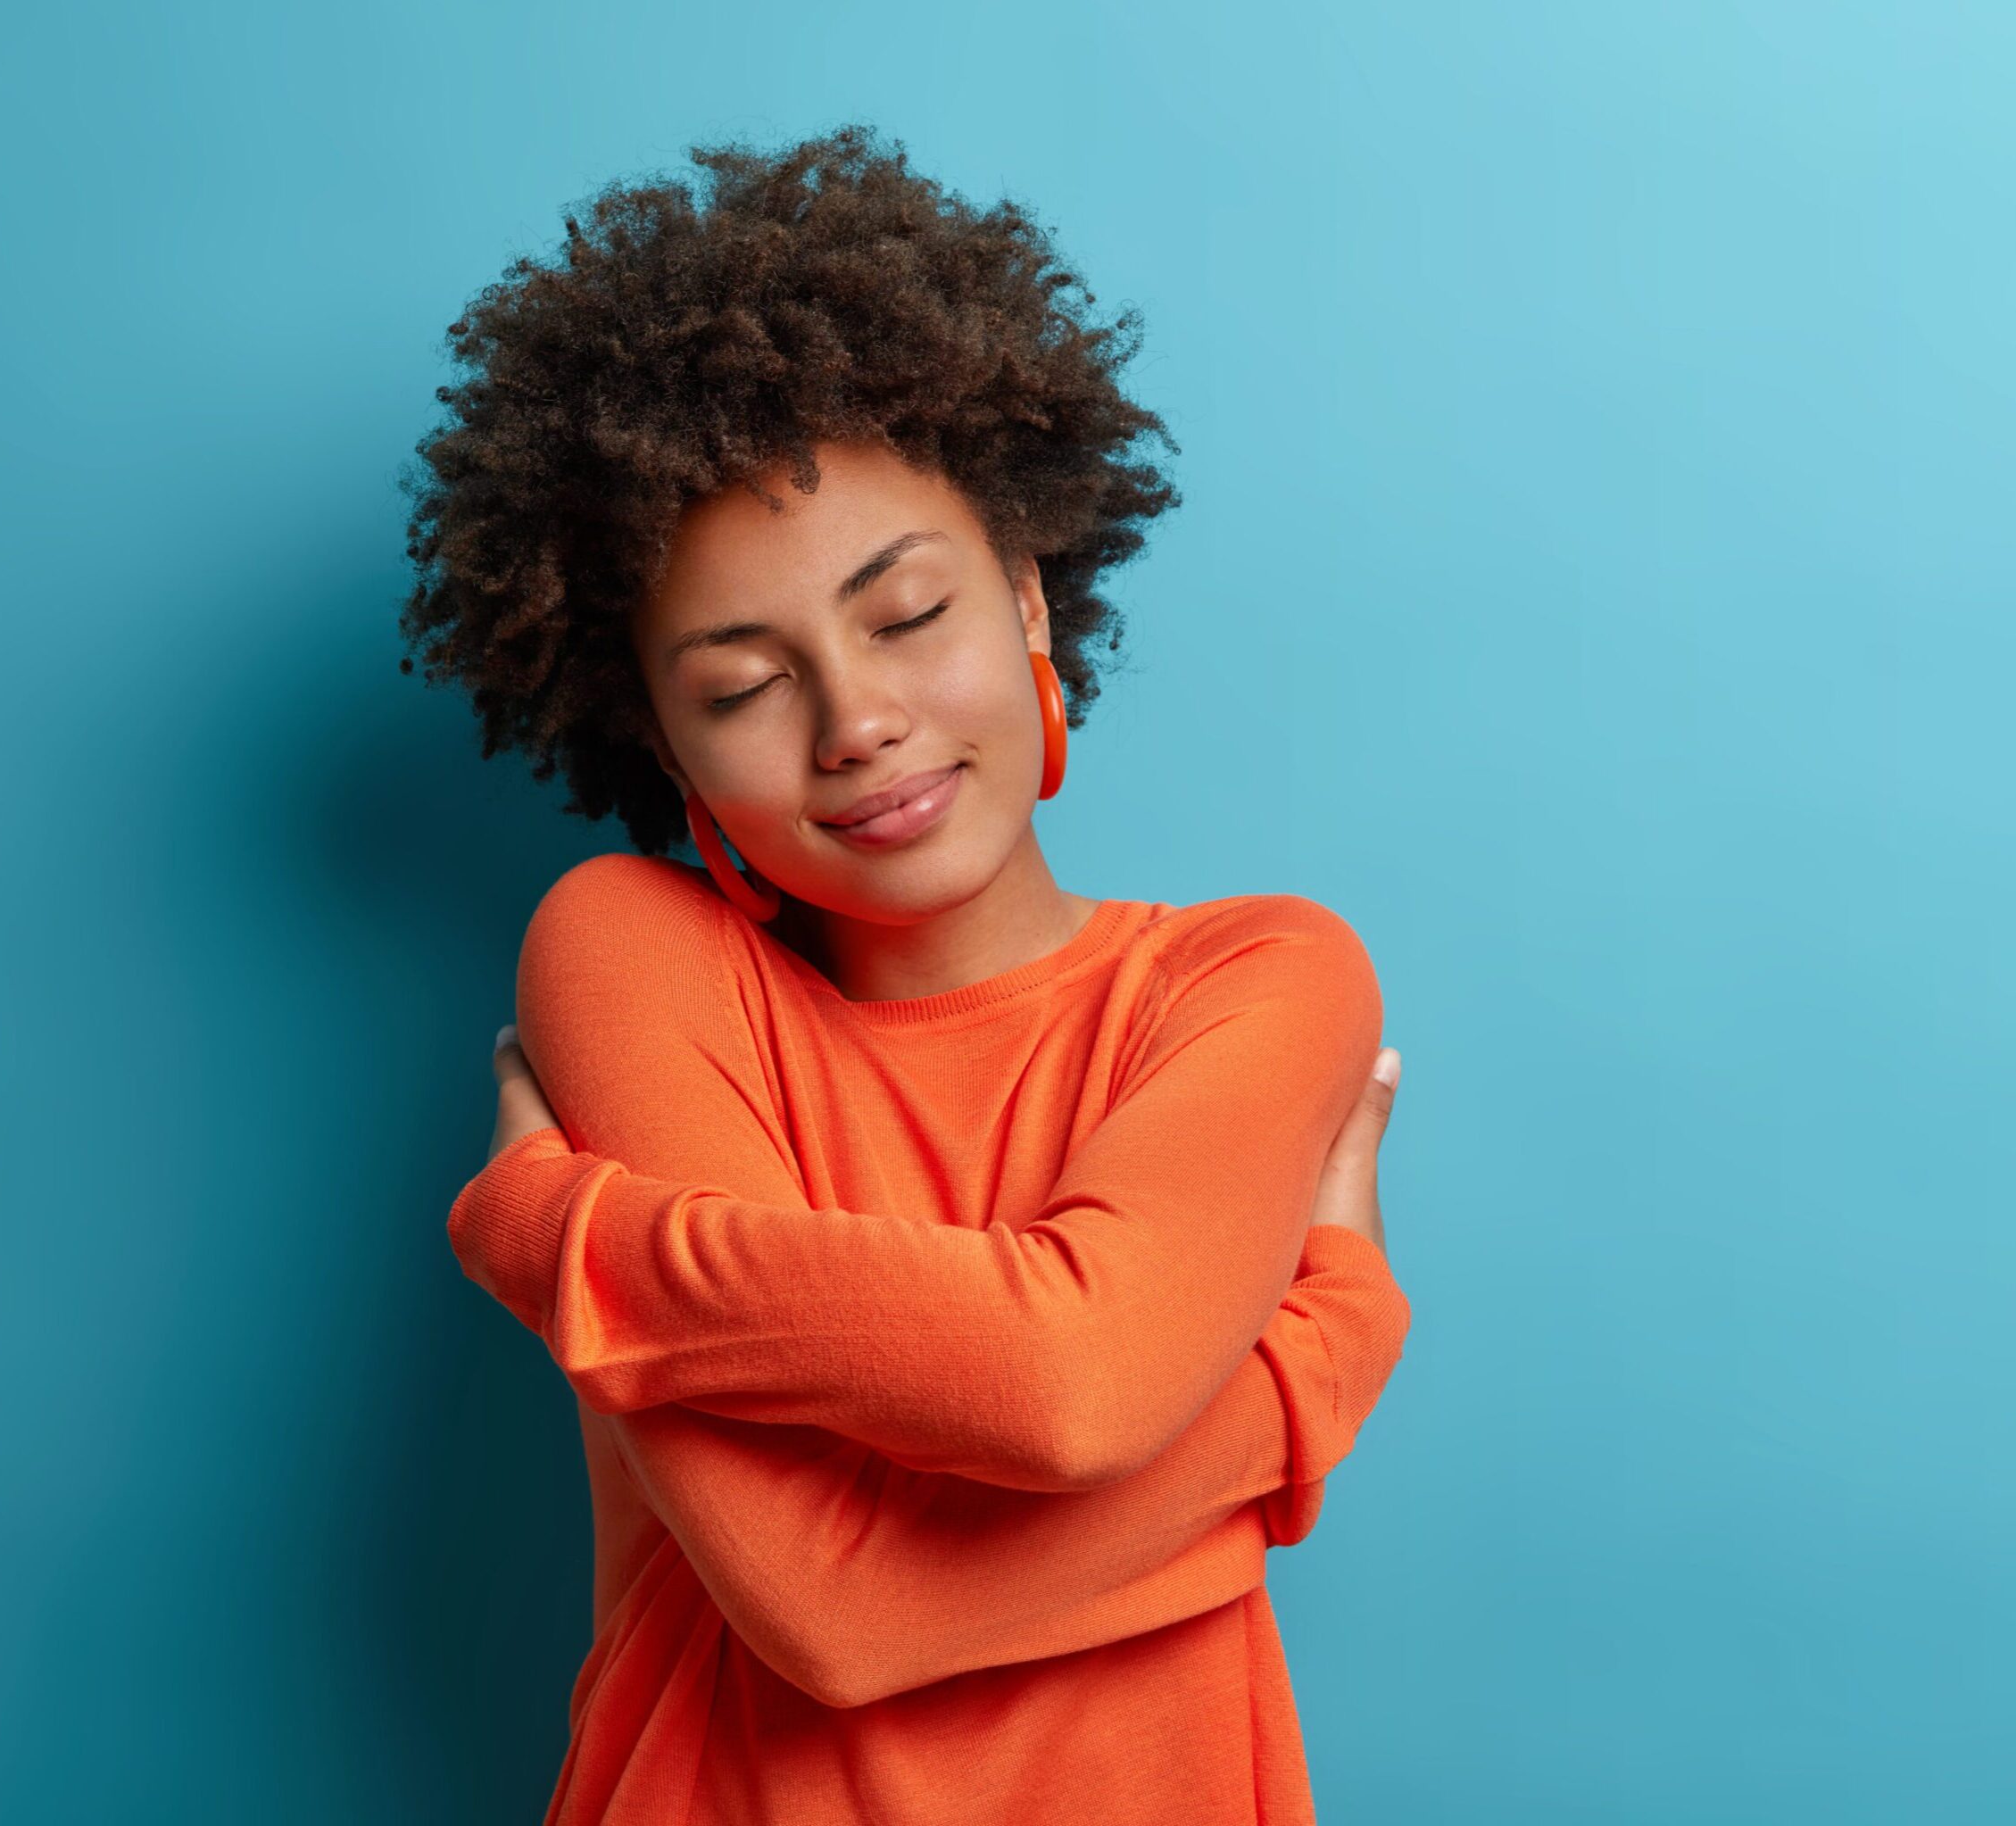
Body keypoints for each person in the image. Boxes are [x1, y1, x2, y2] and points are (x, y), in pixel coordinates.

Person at [403, 124, 1412, 1825]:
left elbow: (1073, 1385)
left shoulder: (1257, 978)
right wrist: (1321, 1356)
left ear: (1027, 598)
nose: (857, 722)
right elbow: (841, 1614)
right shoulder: (630, 951)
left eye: (908, 614)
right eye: (743, 689)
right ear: (667, 750)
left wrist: (567, 1238)